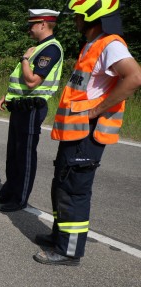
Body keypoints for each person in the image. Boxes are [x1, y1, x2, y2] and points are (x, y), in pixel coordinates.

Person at [33, 0, 141, 266]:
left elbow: (134, 77)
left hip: (87, 134)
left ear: (92, 17)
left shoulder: (111, 44)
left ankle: (68, 251)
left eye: (78, 16)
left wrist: (96, 111)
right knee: (62, 184)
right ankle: (60, 237)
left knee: (74, 190)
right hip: (74, 133)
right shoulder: (92, 45)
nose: (74, 20)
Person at [0, 9, 64, 211]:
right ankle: (9, 191)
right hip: (20, 106)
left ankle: (20, 198)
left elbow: (32, 81)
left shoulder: (51, 49)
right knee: (13, 152)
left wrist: (24, 58)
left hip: (32, 109)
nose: (28, 29)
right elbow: (22, 82)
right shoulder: (39, 48)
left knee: (25, 154)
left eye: (32, 24)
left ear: (43, 24)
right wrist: (9, 95)